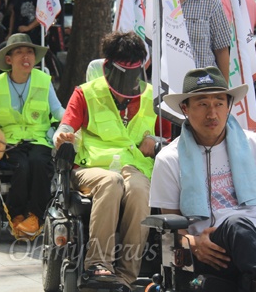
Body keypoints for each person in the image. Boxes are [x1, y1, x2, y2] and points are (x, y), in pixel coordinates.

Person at [149, 66, 256, 292]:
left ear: (229, 106)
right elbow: (170, 227)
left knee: (246, 238)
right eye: (202, 104)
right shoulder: (169, 158)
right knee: (235, 224)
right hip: (211, 248)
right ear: (185, 108)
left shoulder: (252, 144)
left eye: (219, 103)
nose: (212, 113)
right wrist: (192, 243)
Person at [53, 31, 171, 290]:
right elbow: (64, 128)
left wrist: (157, 144)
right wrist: (62, 138)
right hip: (90, 169)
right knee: (111, 181)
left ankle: (127, 277)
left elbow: (172, 143)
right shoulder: (85, 93)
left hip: (136, 168)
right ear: (107, 67)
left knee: (141, 190)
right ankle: (98, 263)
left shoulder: (153, 98)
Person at [0, 33, 65, 237]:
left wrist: (71, 118)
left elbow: (57, 109)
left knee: (39, 163)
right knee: (21, 167)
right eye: (19, 52)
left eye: (29, 52)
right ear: (9, 59)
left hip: (39, 137)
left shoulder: (43, 80)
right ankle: (16, 215)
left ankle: (35, 216)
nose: (25, 56)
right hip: (10, 141)